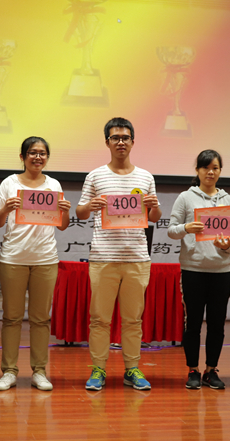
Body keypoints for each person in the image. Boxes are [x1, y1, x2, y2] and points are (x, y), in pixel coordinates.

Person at [76, 117, 161, 391]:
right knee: (100, 319)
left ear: (133, 142)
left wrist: (153, 206)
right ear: (107, 142)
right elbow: (80, 212)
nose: (121, 142)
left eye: (125, 137)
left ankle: (132, 369)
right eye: (115, 138)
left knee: (133, 319)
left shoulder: (146, 177)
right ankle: (98, 369)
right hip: (103, 257)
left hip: (137, 257)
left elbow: (155, 216)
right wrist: (91, 205)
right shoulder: (95, 176)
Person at [0, 137, 71, 392]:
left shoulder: (53, 184)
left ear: (47, 157)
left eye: (42, 153)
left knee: (41, 319)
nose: (38, 157)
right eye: (33, 153)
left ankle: (39, 371)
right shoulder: (9, 183)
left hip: (45, 259)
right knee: (11, 318)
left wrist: (65, 210)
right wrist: (6, 209)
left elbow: (62, 225)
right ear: (23, 156)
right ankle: (9, 371)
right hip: (13, 258)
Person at [168, 150, 230, 390]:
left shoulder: (228, 200)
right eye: (206, 168)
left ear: (220, 171)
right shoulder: (185, 198)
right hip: (193, 270)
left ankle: (211, 370)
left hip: (221, 271)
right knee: (193, 324)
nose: (210, 172)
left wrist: (226, 245)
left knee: (217, 324)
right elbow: (171, 230)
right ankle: (193, 369)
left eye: (215, 168)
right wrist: (186, 228)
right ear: (197, 170)